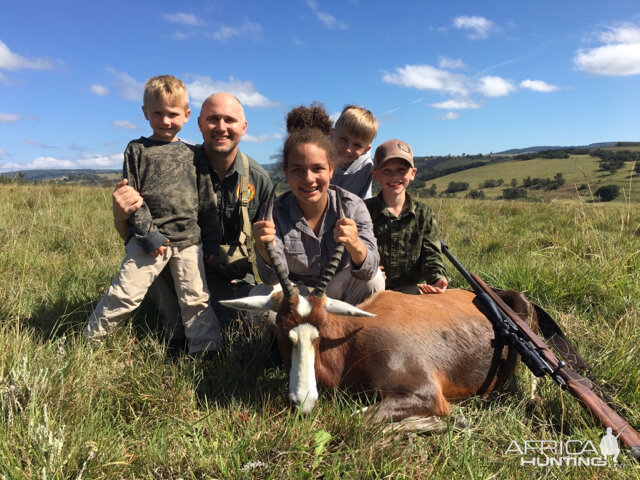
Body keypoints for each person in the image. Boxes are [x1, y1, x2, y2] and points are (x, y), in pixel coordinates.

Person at [112, 92, 272, 347]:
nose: (221, 127)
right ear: (198, 123)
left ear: (244, 127)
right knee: (182, 335)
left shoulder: (259, 179)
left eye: (229, 120)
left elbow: (271, 255)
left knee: (263, 328)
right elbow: (138, 238)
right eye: (213, 119)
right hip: (174, 278)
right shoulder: (171, 165)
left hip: (232, 280)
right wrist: (121, 216)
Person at [84, 75, 222, 355]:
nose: (165, 120)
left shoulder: (195, 154)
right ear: (145, 112)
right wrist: (149, 235)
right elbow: (132, 197)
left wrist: (210, 242)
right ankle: (88, 345)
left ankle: (207, 352)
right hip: (149, 242)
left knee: (195, 298)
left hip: (189, 241)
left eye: (173, 114)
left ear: (186, 115)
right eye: (157, 113)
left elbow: (206, 202)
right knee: (125, 295)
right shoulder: (137, 149)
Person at [252, 104, 384, 305]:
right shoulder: (274, 213)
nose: (309, 179)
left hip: (334, 292)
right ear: (286, 172)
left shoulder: (354, 206)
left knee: (374, 282)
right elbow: (271, 280)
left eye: (317, 169)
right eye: (298, 170)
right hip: (295, 297)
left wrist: (356, 245)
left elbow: (369, 269)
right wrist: (263, 249)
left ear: (331, 169)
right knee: (260, 296)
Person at [365, 139, 448, 294]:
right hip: (372, 288)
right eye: (387, 171)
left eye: (401, 170)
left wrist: (437, 279)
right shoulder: (363, 210)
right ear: (375, 175)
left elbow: (431, 254)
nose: (395, 177)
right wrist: (368, 269)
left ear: (413, 173)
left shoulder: (424, 213)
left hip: (410, 289)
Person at [330, 105, 378, 200]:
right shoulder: (319, 155)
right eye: (343, 139)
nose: (348, 149)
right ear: (332, 134)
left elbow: (364, 200)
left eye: (357, 145)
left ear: (366, 150)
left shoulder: (366, 167)